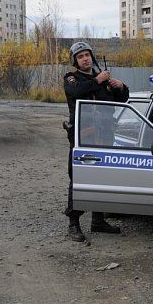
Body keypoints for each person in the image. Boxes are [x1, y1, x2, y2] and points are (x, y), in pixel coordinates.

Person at [63, 41, 129, 242]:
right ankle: (73, 223)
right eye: (80, 56)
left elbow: (122, 100)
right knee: (80, 179)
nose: (85, 58)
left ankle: (98, 221)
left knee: (102, 178)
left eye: (87, 55)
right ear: (76, 61)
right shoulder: (72, 78)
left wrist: (120, 87)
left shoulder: (102, 79)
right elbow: (76, 93)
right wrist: (98, 80)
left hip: (105, 137)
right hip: (84, 138)